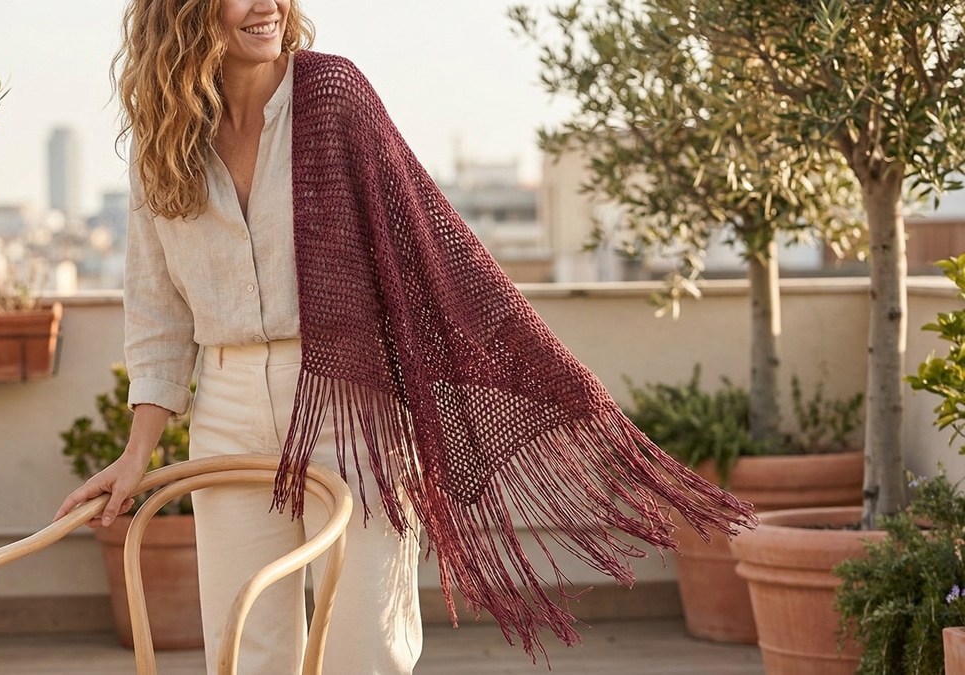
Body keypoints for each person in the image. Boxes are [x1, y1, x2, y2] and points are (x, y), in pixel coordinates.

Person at [55, 1, 756, 673]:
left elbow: (420, 242)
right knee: (244, 646)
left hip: (348, 402)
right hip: (227, 406)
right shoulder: (166, 141)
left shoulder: (330, 96)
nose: (267, 5)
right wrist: (136, 453)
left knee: (366, 643)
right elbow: (157, 314)